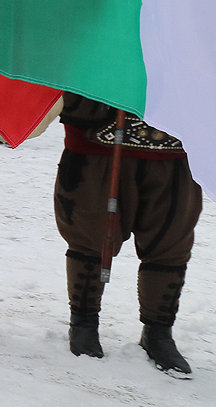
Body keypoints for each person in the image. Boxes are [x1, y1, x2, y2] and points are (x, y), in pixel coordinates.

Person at [54, 95, 201, 377]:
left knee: (170, 242)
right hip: (98, 146)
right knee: (91, 235)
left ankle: (158, 333)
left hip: (173, 150)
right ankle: (83, 323)